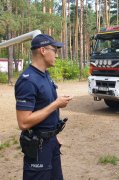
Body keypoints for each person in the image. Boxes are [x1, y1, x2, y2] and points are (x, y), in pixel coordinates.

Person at [15, 34, 72, 180]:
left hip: (50, 142)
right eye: (55, 50)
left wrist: (53, 135)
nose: (57, 55)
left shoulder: (45, 75)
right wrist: (56, 104)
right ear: (43, 50)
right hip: (38, 147)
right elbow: (23, 122)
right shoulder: (27, 81)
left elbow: (45, 108)